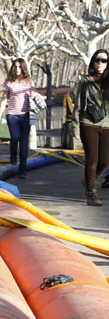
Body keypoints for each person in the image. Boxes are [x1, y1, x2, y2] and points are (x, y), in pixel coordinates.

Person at [72, 49, 109, 206]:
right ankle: (91, 194)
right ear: (93, 62)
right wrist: (75, 127)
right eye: (97, 60)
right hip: (89, 123)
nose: (100, 63)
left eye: (104, 60)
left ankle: (89, 180)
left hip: (107, 125)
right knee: (92, 159)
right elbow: (78, 105)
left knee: (105, 161)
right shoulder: (85, 81)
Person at [0, 58, 35, 178]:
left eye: (19, 67)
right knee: (15, 136)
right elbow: (4, 99)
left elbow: (33, 96)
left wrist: (33, 95)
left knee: (24, 143)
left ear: (23, 68)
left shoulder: (29, 82)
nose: (17, 69)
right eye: (15, 67)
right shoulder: (9, 82)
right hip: (12, 114)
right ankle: (13, 152)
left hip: (26, 115)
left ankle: (22, 169)